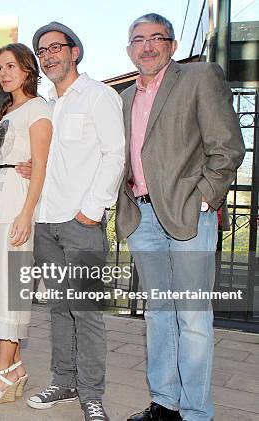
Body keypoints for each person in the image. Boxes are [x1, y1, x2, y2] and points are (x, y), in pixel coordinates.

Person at [117, 14, 244, 421]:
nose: (148, 46)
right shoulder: (124, 97)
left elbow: (227, 146)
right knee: (159, 314)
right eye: (139, 40)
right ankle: (165, 404)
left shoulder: (199, 77)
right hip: (143, 216)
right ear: (129, 50)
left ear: (171, 45)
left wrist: (207, 197)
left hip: (189, 214)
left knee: (191, 317)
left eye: (157, 38)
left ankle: (195, 412)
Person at [25, 22, 125, 421]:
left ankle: (92, 393)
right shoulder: (48, 103)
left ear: (74, 52)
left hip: (80, 223)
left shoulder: (99, 96)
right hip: (46, 222)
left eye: (55, 48)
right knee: (58, 308)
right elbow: (53, 160)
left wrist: (92, 211)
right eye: (42, 51)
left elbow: (115, 155)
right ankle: (64, 381)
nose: (48, 56)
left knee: (85, 310)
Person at [0, 43, 52, 405]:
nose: (3, 73)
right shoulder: (5, 111)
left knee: (10, 292)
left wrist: (26, 214)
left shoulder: (38, 109)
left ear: (28, 69)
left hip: (16, 208)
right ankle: (15, 369)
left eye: (11, 66)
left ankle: (2, 371)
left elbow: (41, 167)